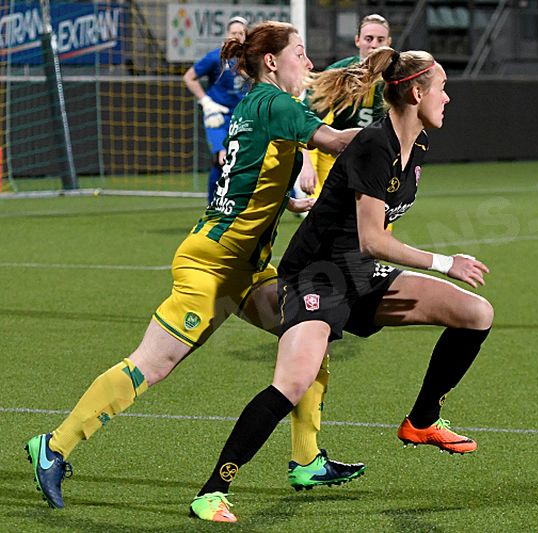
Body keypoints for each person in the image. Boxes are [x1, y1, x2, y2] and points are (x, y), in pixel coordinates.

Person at [25, 21, 366, 513]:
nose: (308, 64)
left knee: (309, 334)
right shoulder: (274, 102)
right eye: (300, 53)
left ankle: (307, 459)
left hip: (246, 268)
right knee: (152, 365)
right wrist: (394, 133)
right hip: (211, 266)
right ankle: (53, 447)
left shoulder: (258, 105)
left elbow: (252, 173)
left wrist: (286, 203)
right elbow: (336, 143)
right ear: (272, 62)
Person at [190, 46, 494, 523]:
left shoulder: (416, 148)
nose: (448, 98)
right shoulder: (377, 144)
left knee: (476, 314)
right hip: (317, 276)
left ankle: (422, 421)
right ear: (416, 92)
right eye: (442, 88)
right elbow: (373, 239)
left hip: (359, 275)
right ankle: (212, 490)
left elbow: (370, 245)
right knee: (291, 383)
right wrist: (443, 262)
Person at [297, 13, 392, 198]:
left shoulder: (397, 77)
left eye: (380, 39)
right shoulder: (340, 73)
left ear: (389, 42)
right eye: (368, 38)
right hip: (337, 159)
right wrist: (305, 164)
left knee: (378, 223)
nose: (373, 45)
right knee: (328, 219)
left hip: (377, 161)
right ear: (357, 40)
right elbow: (303, 114)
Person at [183, 16, 248, 204]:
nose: (237, 36)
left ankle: (293, 198)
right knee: (222, 158)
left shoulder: (250, 59)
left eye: (241, 33)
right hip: (218, 117)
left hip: (243, 118)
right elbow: (189, 77)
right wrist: (206, 102)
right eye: (233, 33)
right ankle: (213, 205)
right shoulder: (215, 57)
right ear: (227, 35)